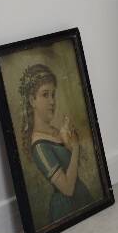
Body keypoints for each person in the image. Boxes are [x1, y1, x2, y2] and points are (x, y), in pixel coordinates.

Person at [18, 62, 91, 223]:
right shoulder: (39, 146)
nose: (52, 101)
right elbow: (67, 188)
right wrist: (75, 147)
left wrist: (69, 142)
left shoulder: (55, 131)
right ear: (32, 100)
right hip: (66, 208)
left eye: (53, 94)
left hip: (83, 198)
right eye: (45, 95)